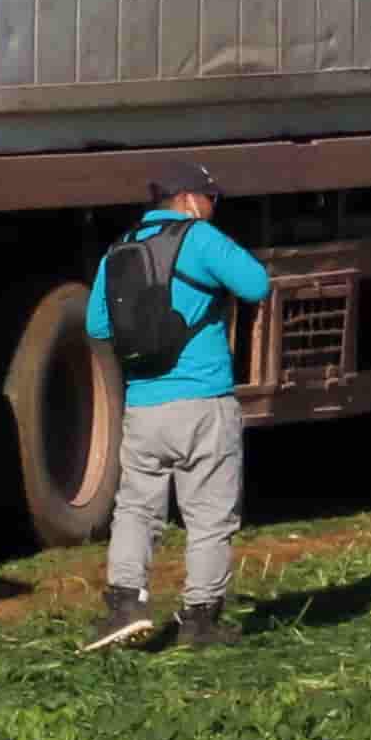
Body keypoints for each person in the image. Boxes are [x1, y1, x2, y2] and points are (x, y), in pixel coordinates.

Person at [86, 167, 271, 652]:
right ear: (188, 199)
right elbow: (256, 284)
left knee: (135, 509)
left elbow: (98, 325)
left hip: (144, 407)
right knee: (209, 516)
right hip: (202, 401)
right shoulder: (200, 238)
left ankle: (125, 604)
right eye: (212, 197)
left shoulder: (120, 247)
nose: (214, 205)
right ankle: (201, 621)